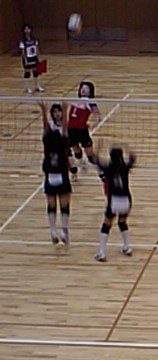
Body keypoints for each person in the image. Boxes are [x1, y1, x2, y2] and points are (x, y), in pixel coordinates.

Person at [94, 146, 135, 262]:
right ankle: (127, 247)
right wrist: (130, 150)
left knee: (106, 225)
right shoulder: (125, 167)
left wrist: (97, 151)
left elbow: (97, 162)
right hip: (126, 199)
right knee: (122, 222)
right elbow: (132, 160)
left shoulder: (108, 168)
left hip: (114, 200)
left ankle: (101, 252)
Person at [39, 101, 70, 244]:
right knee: (64, 206)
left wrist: (43, 111)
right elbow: (65, 129)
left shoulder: (46, 140)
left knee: (51, 206)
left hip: (50, 175)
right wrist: (65, 110)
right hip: (62, 174)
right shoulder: (63, 140)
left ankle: (53, 231)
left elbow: (45, 128)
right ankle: (64, 231)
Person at [68, 81, 100, 175]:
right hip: (71, 129)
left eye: (86, 88)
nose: (83, 90)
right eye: (82, 88)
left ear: (90, 91)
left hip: (82, 130)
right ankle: (81, 163)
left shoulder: (90, 102)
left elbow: (97, 115)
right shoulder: (75, 100)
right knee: (76, 150)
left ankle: (101, 171)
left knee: (90, 155)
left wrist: (93, 124)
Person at [19, 24, 44, 94]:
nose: (27, 31)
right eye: (26, 29)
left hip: (34, 57)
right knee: (27, 72)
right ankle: (27, 87)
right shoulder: (23, 41)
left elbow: (36, 48)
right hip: (27, 58)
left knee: (35, 72)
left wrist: (38, 57)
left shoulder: (34, 39)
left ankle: (37, 86)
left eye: (28, 29)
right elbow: (23, 51)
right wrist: (25, 60)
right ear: (23, 31)